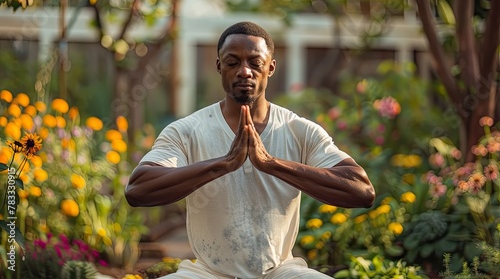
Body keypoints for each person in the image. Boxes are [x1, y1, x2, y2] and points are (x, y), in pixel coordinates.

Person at [125, 21, 375, 279]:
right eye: (233, 62)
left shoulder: (299, 130)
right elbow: (138, 189)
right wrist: (222, 164)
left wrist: (271, 164)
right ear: (219, 66)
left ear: (271, 67)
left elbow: (362, 190)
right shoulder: (188, 130)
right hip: (208, 272)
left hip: (280, 272)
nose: (244, 71)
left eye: (255, 63)